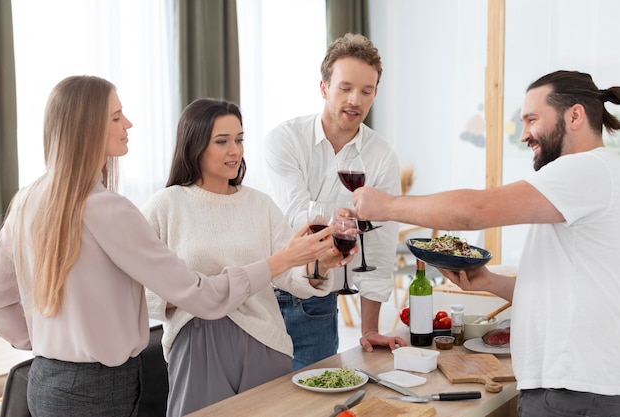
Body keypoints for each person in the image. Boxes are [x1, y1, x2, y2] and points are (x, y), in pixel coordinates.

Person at [0, 76, 336, 417]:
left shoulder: (27, 201)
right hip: (100, 387)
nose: (127, 123)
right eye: (115, 117)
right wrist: (281, 260)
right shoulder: (110, 209)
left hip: (47, 379)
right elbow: (200, 294)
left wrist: (41, 341)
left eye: (239, 140)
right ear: (87, 127)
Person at [352, 70, 620, 416]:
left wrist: (387, 206)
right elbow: (572, 286)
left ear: (575, 115)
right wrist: (490, 282)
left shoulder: (585, 169)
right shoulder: (598, 173)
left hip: (576, 393)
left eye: (532, 119)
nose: (524, 134)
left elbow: (474, 211)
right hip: (575, 389)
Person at [141, 98, 351, 415]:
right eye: (222, 141)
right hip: (198, 342)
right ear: (194, 146)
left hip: (264, 339)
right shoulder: (165, 206)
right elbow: (143, 291)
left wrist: (320, 264)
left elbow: (290, 276)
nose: (235, 151)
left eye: (239, 140)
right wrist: (203, 294)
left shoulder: (260, 205)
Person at [264, 32, 404, 369]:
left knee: (315, 399)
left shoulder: (381, 156)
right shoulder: (284, 140)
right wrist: (345, 220)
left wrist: (370, 328)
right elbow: (298, 215)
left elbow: (380, 244)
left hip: (318, 297)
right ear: (324, 88)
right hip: (265, 294)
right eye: (345, 88)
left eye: (366, 91)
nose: (356, 100)